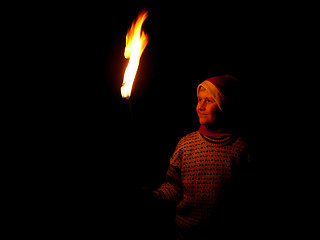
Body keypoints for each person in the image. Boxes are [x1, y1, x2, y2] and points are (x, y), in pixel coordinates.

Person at [153, 74, 251, 240]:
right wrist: (155, 197)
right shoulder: (186, 144)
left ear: (224, 105)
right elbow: (174, 187)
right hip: (185, 235)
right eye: (199, 99)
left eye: (209, 101)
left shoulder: (241, 149)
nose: (200, 106)